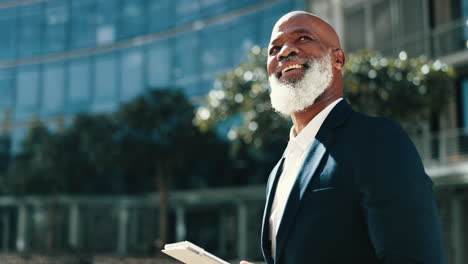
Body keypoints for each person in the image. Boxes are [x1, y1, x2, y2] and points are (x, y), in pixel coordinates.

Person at [241, 11, 445, 264]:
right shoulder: (278, 171)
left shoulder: (377, 139)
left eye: (303, 38)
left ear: (337, 59)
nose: (284, 52)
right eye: (274, 49)